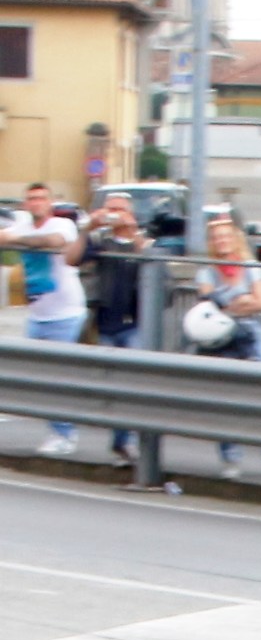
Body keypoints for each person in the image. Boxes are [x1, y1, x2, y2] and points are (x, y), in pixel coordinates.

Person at [191, 214, 261, 478]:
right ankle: (231, 459)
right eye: (216, 238)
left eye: (226, 236)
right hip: (221, 336)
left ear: (236, 238)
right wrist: (241, 300)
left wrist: (230, 303)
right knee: (225, 400)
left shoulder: (249, 267)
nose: (222, 241)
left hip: (251, 333)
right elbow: (209, 302)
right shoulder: (207, 270)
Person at [0, 183, 90, 458]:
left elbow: (51, 243)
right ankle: (57, 429)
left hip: (66, 313)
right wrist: (13, 237)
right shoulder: (23, 227)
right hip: (38, 315)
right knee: (36, 378)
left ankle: (65, 434)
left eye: (40, 198)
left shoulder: (62, 225)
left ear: (50, 203)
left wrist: (17, 240)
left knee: (57, 378)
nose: (35, 203)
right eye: (31, 199)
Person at [82, 191, 152, 468]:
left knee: (131, 384)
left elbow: (153, 268)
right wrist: (88, 228)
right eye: (110, 209)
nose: (114, 215)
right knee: (112, 387)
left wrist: (133, 232)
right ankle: (120, 442)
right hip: (105, 323)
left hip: (133, 323)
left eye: (120, 210)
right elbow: (70, 258)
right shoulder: (100, 241)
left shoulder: (143, 242)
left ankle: (128, 443)